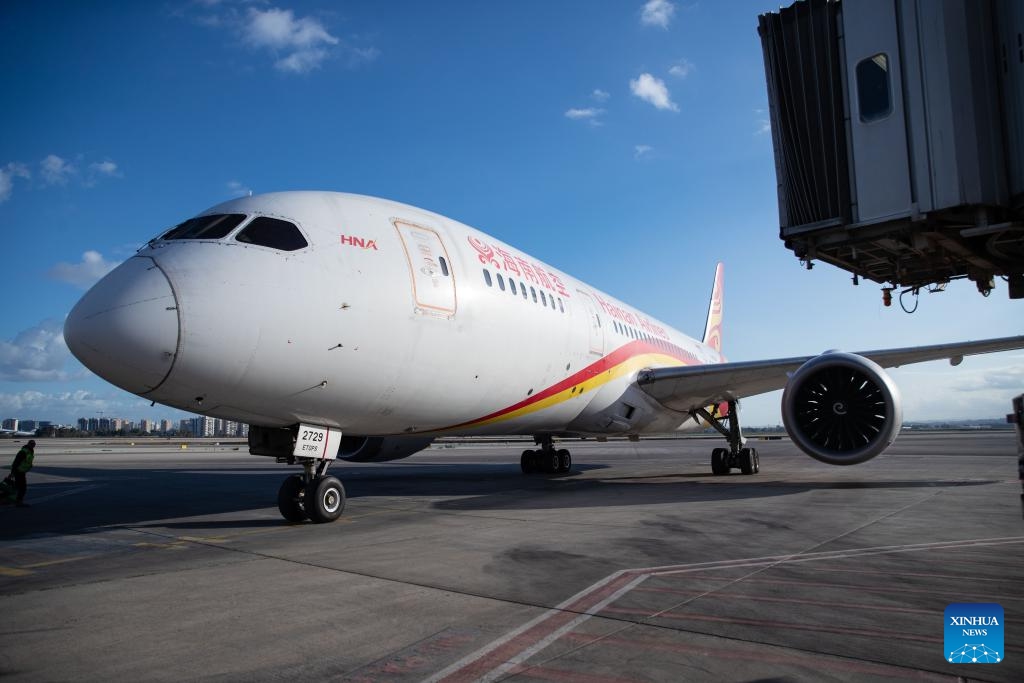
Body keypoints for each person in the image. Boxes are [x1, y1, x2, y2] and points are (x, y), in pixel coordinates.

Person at [10, 439, 35, 507]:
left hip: (21, 472)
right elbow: (16, 462)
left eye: (34, 444)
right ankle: (18, 502)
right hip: (18, 471)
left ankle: (14, 500)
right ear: (29, 444)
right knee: (22, 488)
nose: (33, 446)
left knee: (17, 487)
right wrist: (12, 472)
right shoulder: (23, 452)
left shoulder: (30, 451)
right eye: (32, 444)